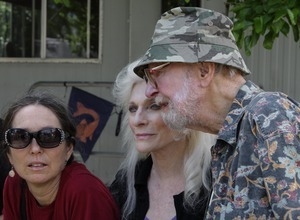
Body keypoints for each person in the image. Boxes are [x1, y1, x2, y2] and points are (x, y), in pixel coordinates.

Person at [133, 6, 300, 219]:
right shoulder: (227, 143)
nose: (149, 90)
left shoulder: (268, 114)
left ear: (204, 70)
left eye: (157, 72)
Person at [109, 59, 217, 220]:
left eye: (154, 106)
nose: (138, 120)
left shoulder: (217, 183)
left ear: (183, 112)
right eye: (132, 109)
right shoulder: (126, 182)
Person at [1, 91, 120, 220]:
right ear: (9, 154)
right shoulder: (15, 185)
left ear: (68, 149)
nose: (35, 149)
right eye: (20, 137)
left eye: (49, 136)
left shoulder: (85, 191)